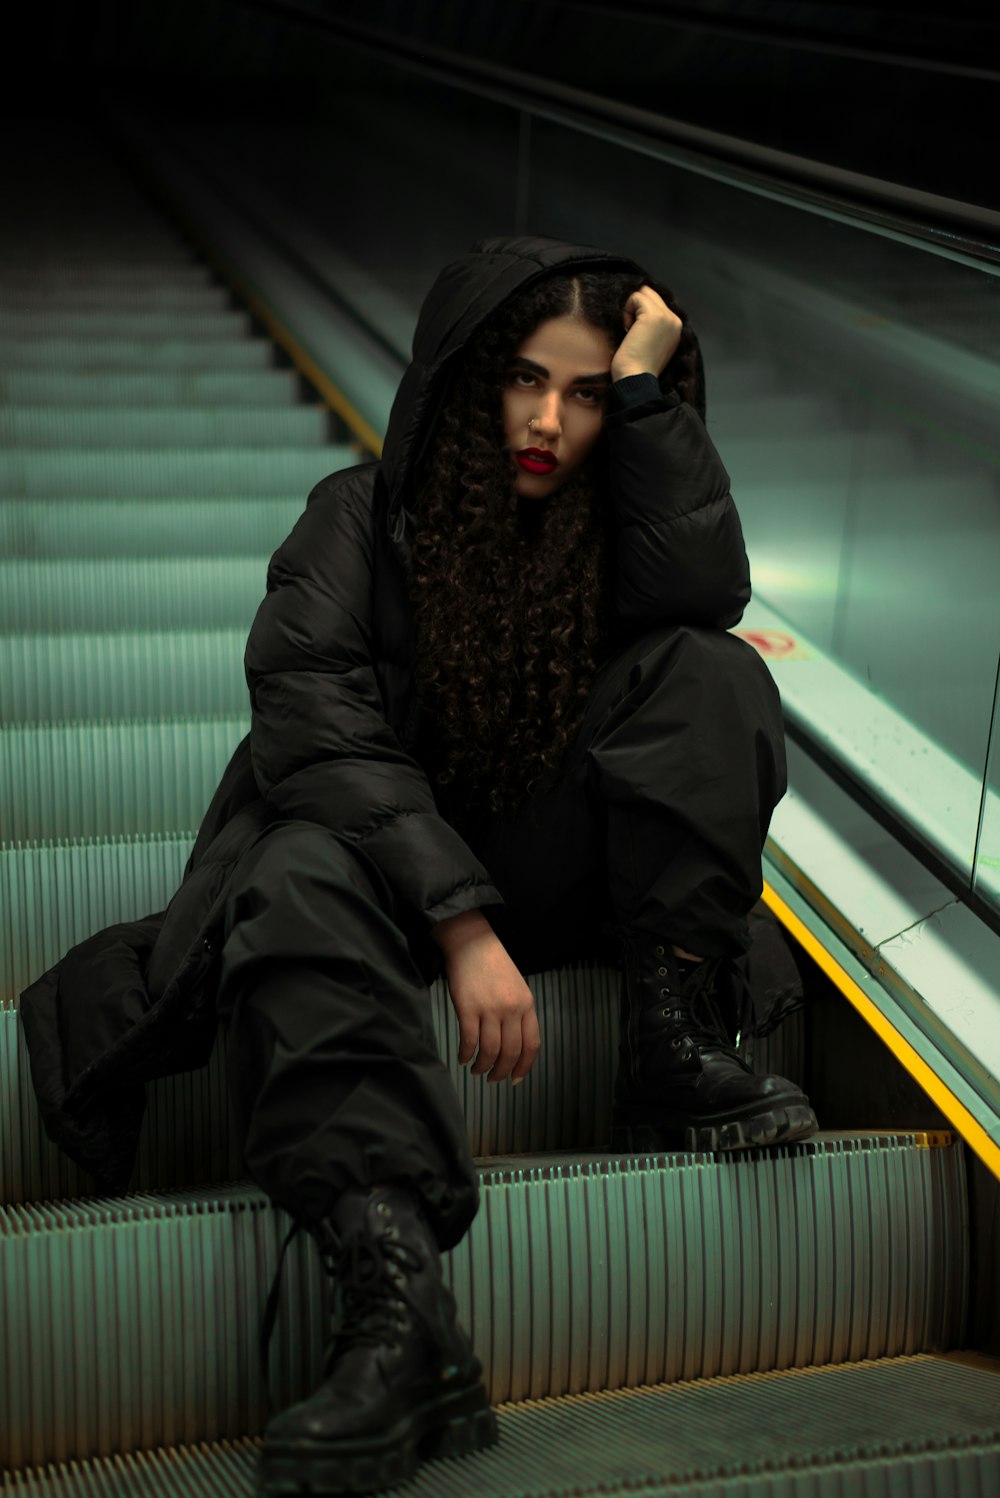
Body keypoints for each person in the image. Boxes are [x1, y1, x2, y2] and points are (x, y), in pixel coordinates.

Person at [19, 234, 816, 1497]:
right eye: (522, 381)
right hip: (374, 878)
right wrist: (456, 925)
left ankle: (666, 1041)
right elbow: (312, 717)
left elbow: (705, 592)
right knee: (288, 871)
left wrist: (653, 393)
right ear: (464, 381)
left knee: (715, 675)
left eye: (587, 391)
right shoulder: (356, 516)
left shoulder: (614, 526)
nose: (548, 420)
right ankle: (397, 1305)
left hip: (551, 868)